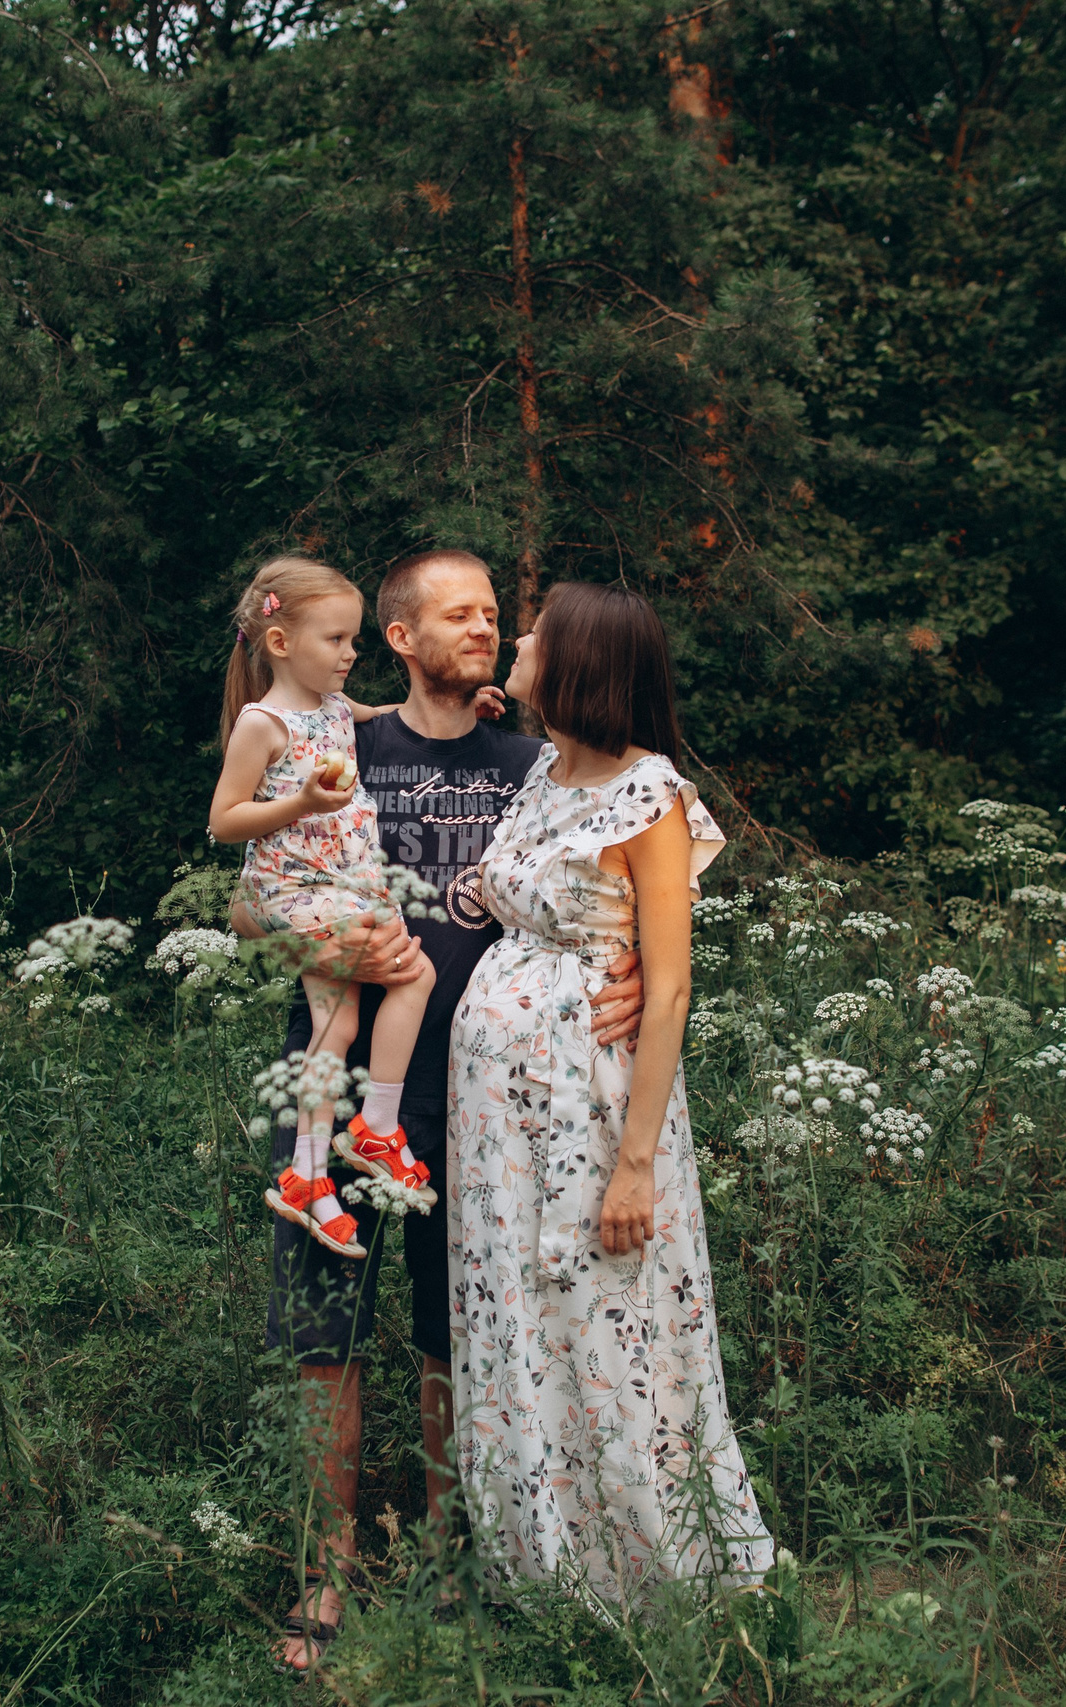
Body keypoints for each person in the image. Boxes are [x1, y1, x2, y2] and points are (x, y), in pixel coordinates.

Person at [237, 549, 645, 1670]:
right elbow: (241, 903)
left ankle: (445, 1551)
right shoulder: (339, 741)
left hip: (486, 1098)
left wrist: (642, 971)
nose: (484, 629)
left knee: (453, 1327)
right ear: (400, 638)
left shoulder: (536, 764)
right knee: (325, 1330)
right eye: (457, 616)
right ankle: (323, 1572)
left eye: (494, 617)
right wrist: (322, 937)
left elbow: (616, 885)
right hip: (335, 1088)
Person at [448, 580, 772, 1599]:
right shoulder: (543, 773)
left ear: (577, 660)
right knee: (522, 1315)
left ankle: (648, 1574)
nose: (519, 638)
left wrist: (636, 1167)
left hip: (591, 1108)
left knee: (604, 1316)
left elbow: (668, 984)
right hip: (500, 1122)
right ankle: (543, 1568)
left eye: (535, 630)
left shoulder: (652, 793)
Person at [209, 557, 441, 1262]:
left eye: (352, 639)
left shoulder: (337, 708)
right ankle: (355, 1139)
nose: (351, 653)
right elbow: (224, 820)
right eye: (336, 640)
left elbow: (387, 713)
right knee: (388, 992)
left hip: (348, 881)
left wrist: (471, 701)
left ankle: (319, 1165)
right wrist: (302, 802)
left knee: (347, 1018)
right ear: (281, 643)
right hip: (298, 887)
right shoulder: (263, 722)